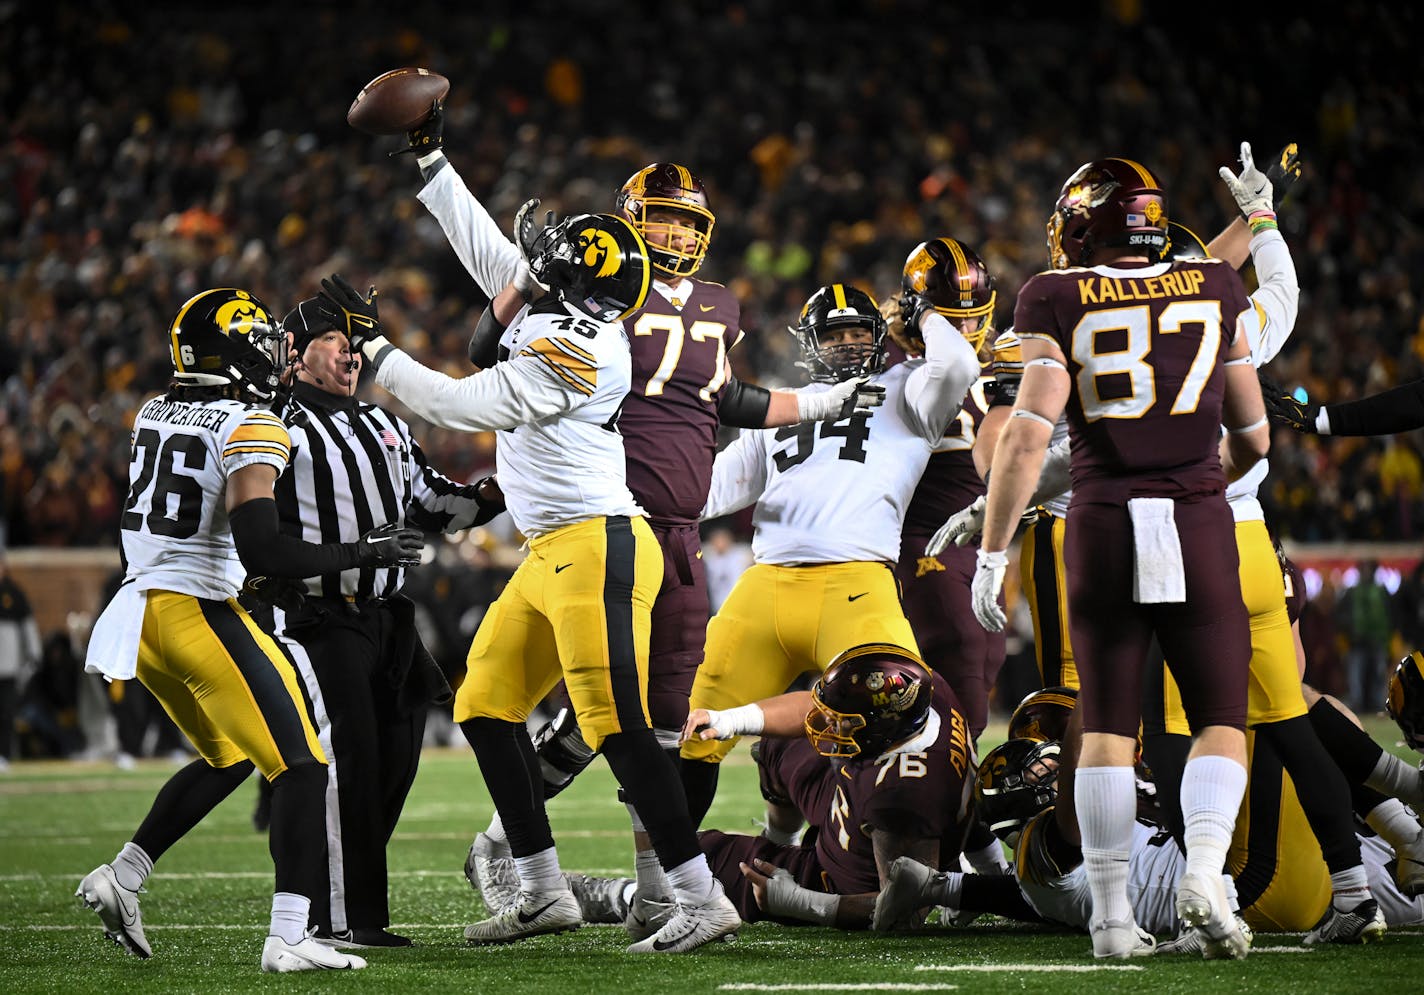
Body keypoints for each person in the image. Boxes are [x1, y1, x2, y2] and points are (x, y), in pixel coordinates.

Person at [391, 109, 879, 932]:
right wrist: (444, 176)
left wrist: (825, 401)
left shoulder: (717, 307)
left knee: (660, 723)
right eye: (659, 217)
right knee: (594, 716)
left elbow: (730, 400)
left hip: (665, 531)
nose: (675, 234)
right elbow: (491, 297)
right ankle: (523, 848)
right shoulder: (602, 289)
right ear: (625, 222)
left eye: (688, 220)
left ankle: (651, 888)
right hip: (610, 519)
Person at [327, 212, 741, 953]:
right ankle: (543, 887)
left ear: (573, 283)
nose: (533, 272)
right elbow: (495, 260)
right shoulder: (568, 315)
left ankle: (701, 896)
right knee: (485, 704)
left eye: (551, 266)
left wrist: (372, 344)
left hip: (599, 546)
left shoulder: (580, 346)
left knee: (618, 724)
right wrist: (432, 166)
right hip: (551, 550)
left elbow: (452, 403)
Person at [970, 156, 1270, 959]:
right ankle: (1203, 870)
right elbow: (1255, 435)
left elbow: (1029, 438)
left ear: (1083, 222)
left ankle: (1108, 918)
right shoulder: (1213, 284)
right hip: (1198, 515)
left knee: (1104, 718)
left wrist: (991, 552)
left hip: (1101, 519)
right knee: (1219, 715)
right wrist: (1204, 480)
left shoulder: (1051, 294)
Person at [76, 287, 423, 973]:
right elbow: (265, 546)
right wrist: (364, 552)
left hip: (137, 610)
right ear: (232, 349)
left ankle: (124, 873)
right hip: (198, 612)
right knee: (302, 765)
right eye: (260, 341)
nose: (273, 353)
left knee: (232, 755)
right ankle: (290, 934)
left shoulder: (155, 410)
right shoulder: (253, 422)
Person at [242, 296, 505, 950]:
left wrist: (499, 493)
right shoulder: (274, 422)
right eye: (333, 339)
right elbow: (257, 532)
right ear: (297, 353)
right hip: (316, 617)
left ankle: (343, 896)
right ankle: (336, 917)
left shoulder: (382, 423)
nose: (351, 350)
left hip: (388, 618)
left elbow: (435, 503)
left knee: (394, 759)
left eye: (354, 339)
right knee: (345, 761)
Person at [679, 281, 979, 816]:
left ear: (880, 335)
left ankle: (966, 863)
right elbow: (704, 491)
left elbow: (958, 365)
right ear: (810, 342)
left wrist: (926, 313)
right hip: (765, 587)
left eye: (858, 332)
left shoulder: (907, 389)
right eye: (834, 334)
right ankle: (668, 881)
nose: (847, 344)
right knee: (693, 734)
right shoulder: (783, 403)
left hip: (857, 584)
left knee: (905, 719)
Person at [571, 644, 973, 929]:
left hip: (844, 875)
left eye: (844, 720)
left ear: (884, 725)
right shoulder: (921, 693)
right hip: (852, 801)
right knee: (779, 743)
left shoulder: (904, 795)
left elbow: (905, 909)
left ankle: (619, 896)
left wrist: (806, 904)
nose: (829, 724)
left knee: (695, 858)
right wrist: (730, 720)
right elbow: (811, 711)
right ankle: (781, 838)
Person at [888, 238, 1006, 742]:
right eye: (950, 319)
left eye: (973, 318)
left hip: (981, 535)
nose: (965, 330)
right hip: (923, 535)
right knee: (958, 653)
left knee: (989, 655)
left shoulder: (1004, 358)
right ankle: (933, 789)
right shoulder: (888, 359)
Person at [0, 554, 41, 770]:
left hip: (8, 666)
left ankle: (4, 754)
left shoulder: (14, 594)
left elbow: (28, 628)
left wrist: (33, 655)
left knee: (6, 712)